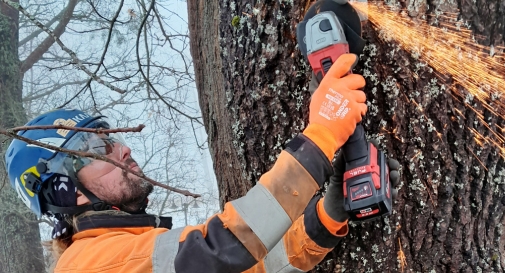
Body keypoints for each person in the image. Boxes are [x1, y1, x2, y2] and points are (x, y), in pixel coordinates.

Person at [5, 54, 397, 272]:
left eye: (114, 140)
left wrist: (326, 218)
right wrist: (321, 136)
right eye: (98, 148)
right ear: (64, 189)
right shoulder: (86, 266)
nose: (123, 151)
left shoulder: (134, 250)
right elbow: (221, 249)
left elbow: (258, 266)